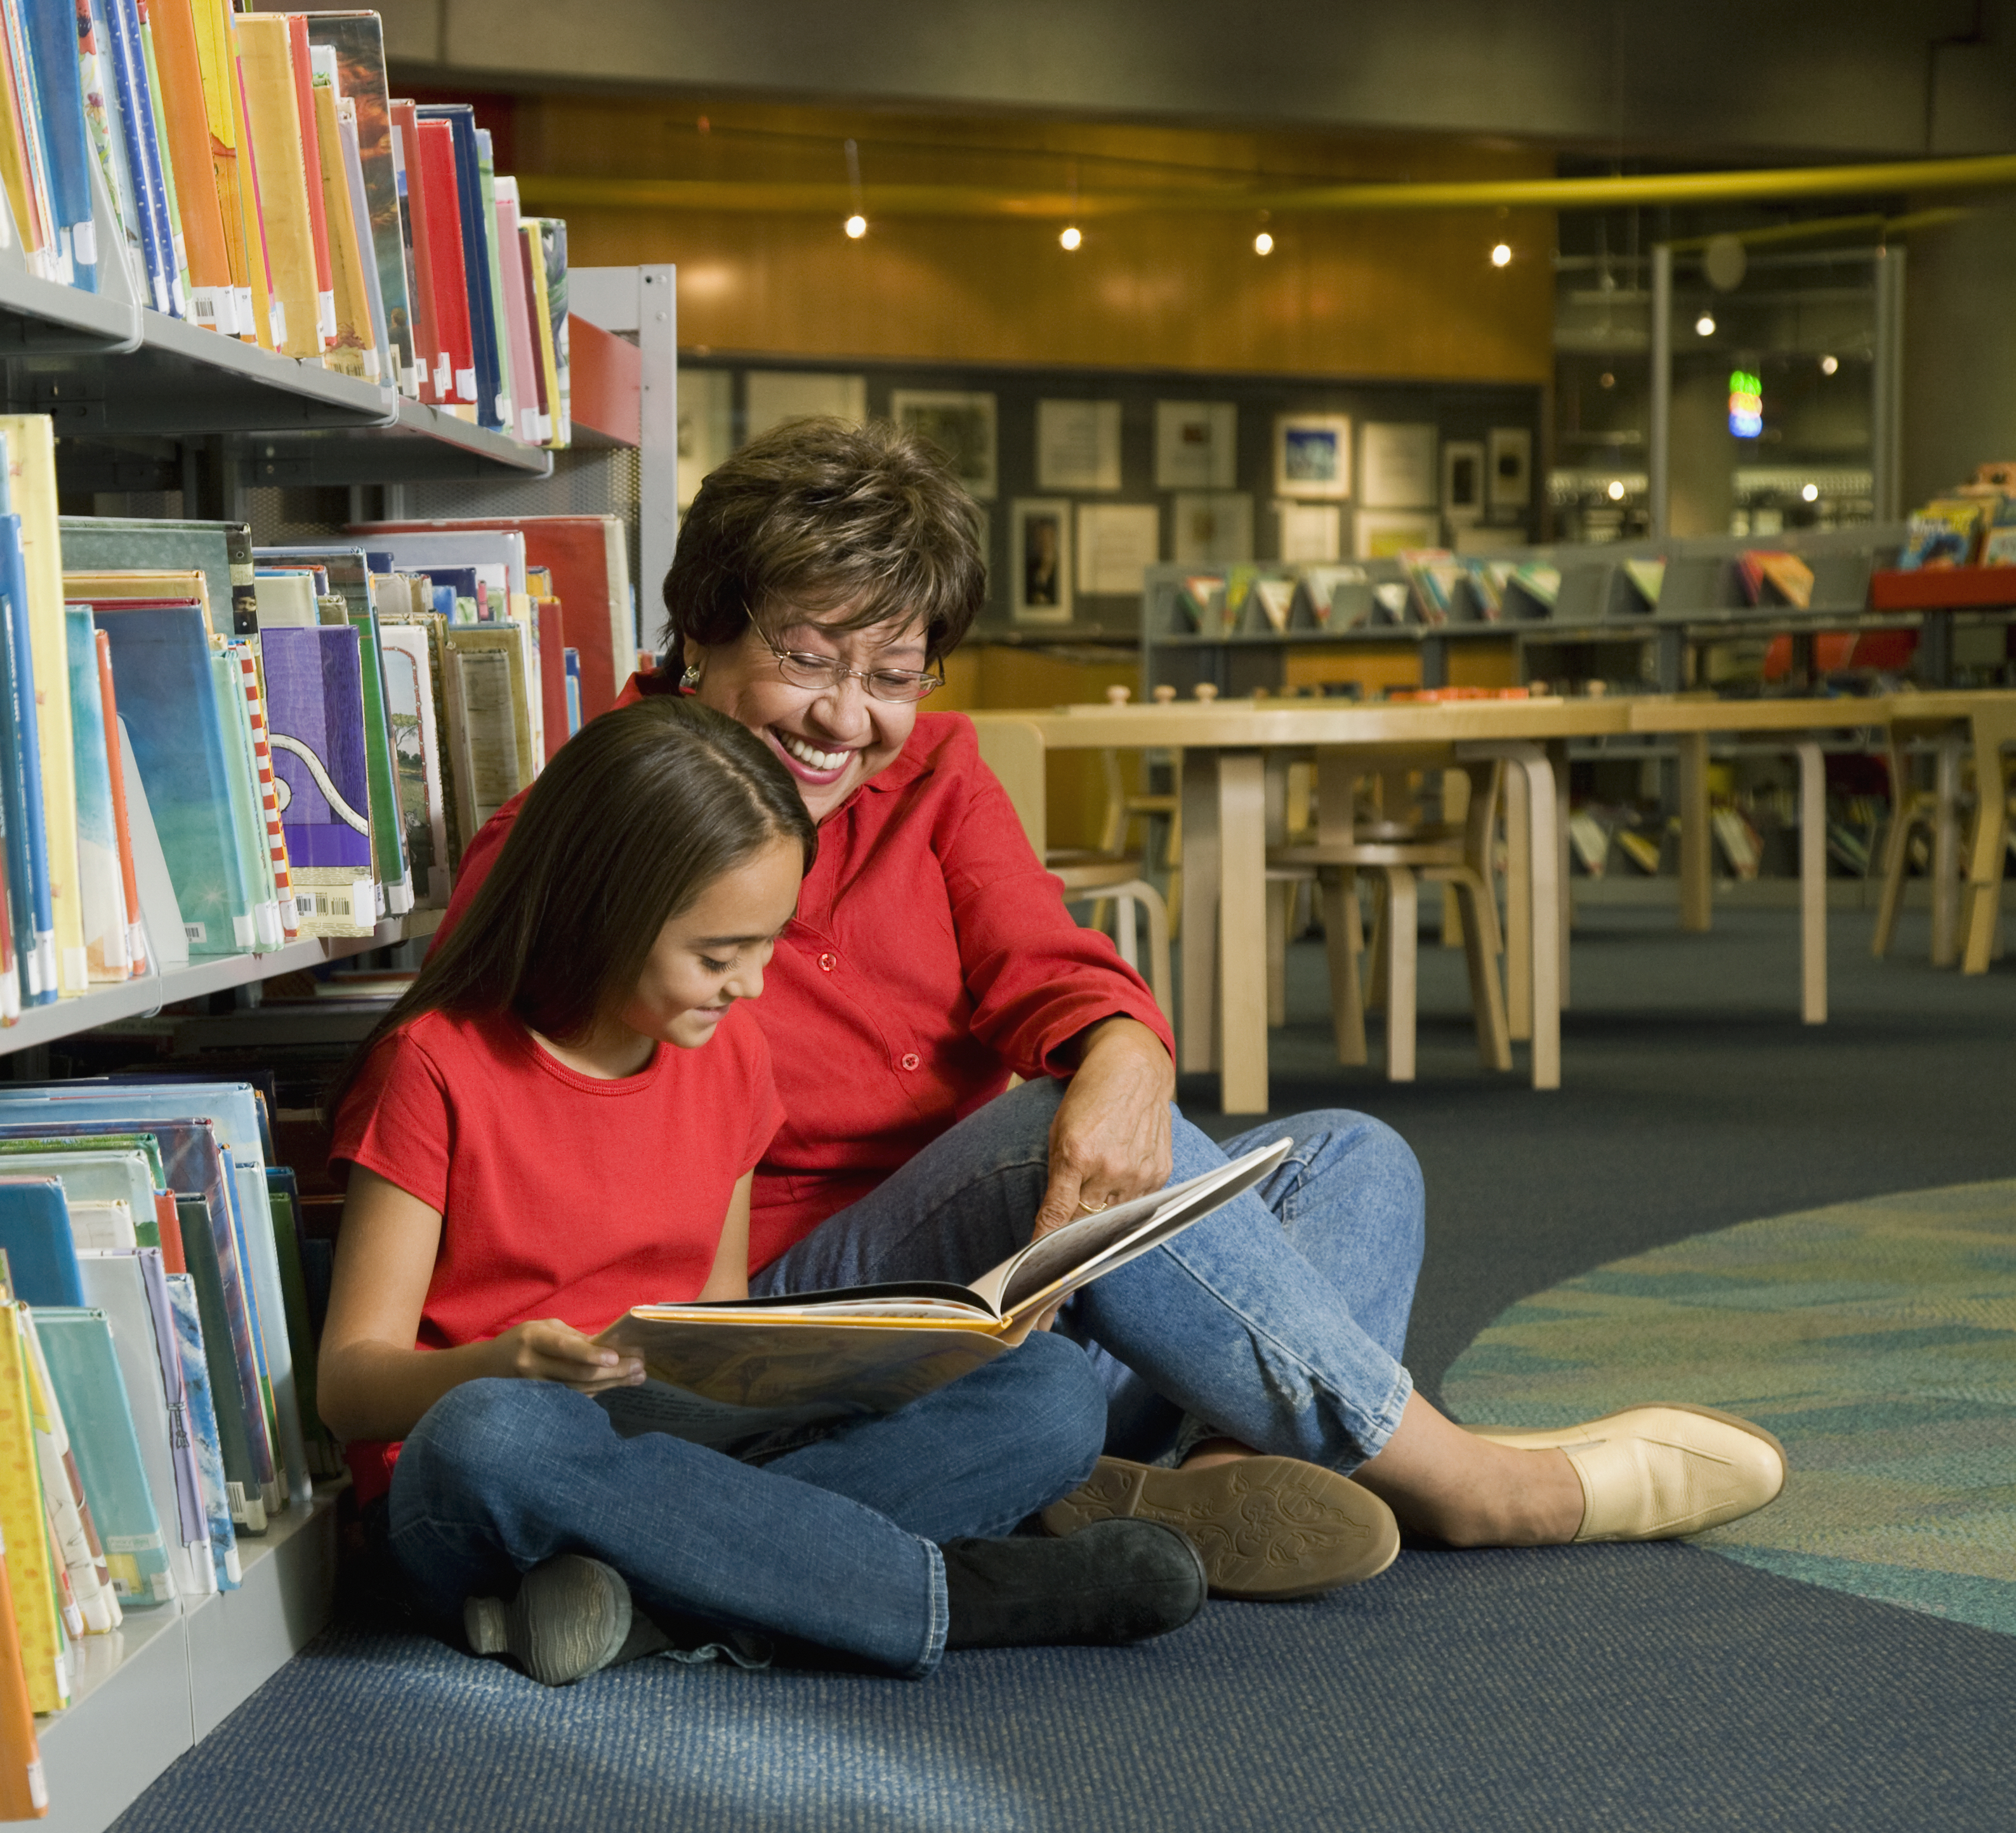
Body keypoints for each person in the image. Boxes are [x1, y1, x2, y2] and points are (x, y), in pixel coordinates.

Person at [442, 418, 1784, 1578]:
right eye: (807, 659)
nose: (845, 720)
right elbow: (510, 1133)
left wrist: (1127, 1048)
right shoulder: (592, 835)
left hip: (1017, 1294)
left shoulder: (940, 773)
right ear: (698, 632)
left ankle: (1190, 1491)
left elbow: (1051, 963)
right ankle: (1469, 1483)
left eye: (893, 674)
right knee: (1043, 1127)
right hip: (788, 1319)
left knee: (1354, 1160)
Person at [320, 696, 1302, 1691]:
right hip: (494, 1476)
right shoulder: (433, 1069)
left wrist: (844, 1366)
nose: (749, 986)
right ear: (600, 913)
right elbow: (348, 1387)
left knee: (1043, 1394)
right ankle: (953, 1600)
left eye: (766, 946)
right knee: (493, 1433)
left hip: (665, 1445)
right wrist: (503, 1363)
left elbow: (714, 1320)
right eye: (716, 956)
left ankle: (650, 1605)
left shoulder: (729, 1051)